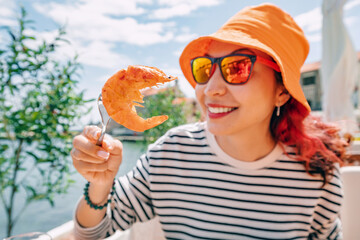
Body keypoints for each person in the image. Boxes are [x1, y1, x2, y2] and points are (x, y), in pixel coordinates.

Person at [71, 3, 347, 239]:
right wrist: (100, 184)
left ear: (282, 92)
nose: (210, 88)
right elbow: (93, 233)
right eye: (205, 68)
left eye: (237, 68)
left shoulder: (318, 175)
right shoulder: (171, 153)